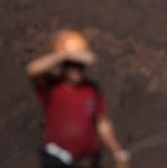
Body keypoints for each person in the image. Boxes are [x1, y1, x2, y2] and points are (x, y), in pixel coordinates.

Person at [26, 29, 131, 168]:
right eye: (72, 65)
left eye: (80, 65)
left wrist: (118, 152)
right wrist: (65, 55)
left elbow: (101, 122)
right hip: (58, 160)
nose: (77, 69)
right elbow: (32, 70)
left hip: (87, 161)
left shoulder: (91, 90)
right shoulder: (51, 87)